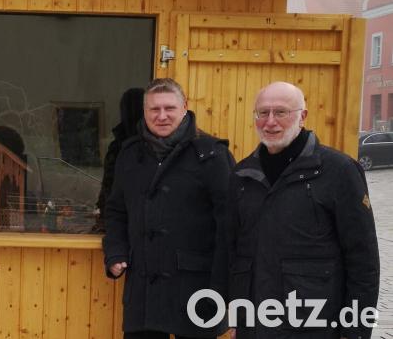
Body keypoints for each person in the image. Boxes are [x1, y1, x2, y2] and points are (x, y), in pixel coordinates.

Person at [228, 82, 379, 339]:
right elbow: (233, 251)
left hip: (315, 325)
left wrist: (355, 332)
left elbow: (363, 260)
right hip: (254, 324)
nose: (270, 122)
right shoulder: (242, 175)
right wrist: (233, 315)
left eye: (281, 112)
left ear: (302, 116)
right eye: (262, 113)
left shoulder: (339, 171)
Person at [103, 78, 233, 339]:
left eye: (169, 108)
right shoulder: (129, 155)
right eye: (154, 109)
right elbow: (116, 210)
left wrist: (224, 288)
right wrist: (115, 251)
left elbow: (230, 224)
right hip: (143, 288)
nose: (162, 116)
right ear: (144, 111)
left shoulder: (211, 155)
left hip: (196, 288)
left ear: (184, 107)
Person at [94, 87, 145, 233]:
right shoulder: (120, 144)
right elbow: (109, 183)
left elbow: (109, 184)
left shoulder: (120, 145)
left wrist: (103, 210)